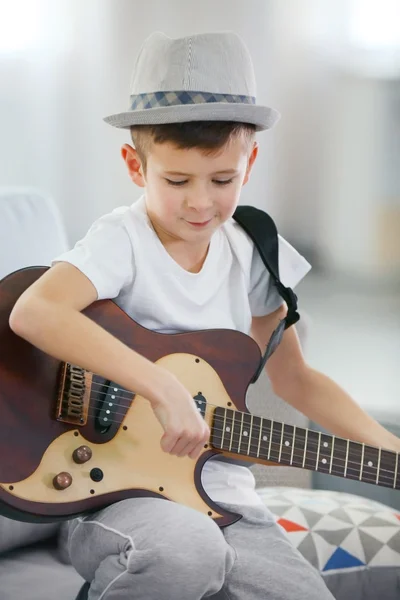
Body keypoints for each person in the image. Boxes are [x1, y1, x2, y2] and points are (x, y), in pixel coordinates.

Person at [10, 31, 400, 600]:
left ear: (251, 162)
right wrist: (161, 388)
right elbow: (35, 312)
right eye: (176, 180)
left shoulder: (257, 250)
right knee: (187, 552)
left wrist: (387, 451)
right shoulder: (122, 239)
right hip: (113, 490)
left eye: (222, 180)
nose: (200, 203)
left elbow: (297, 380)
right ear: (135, 165)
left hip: (223, 496)